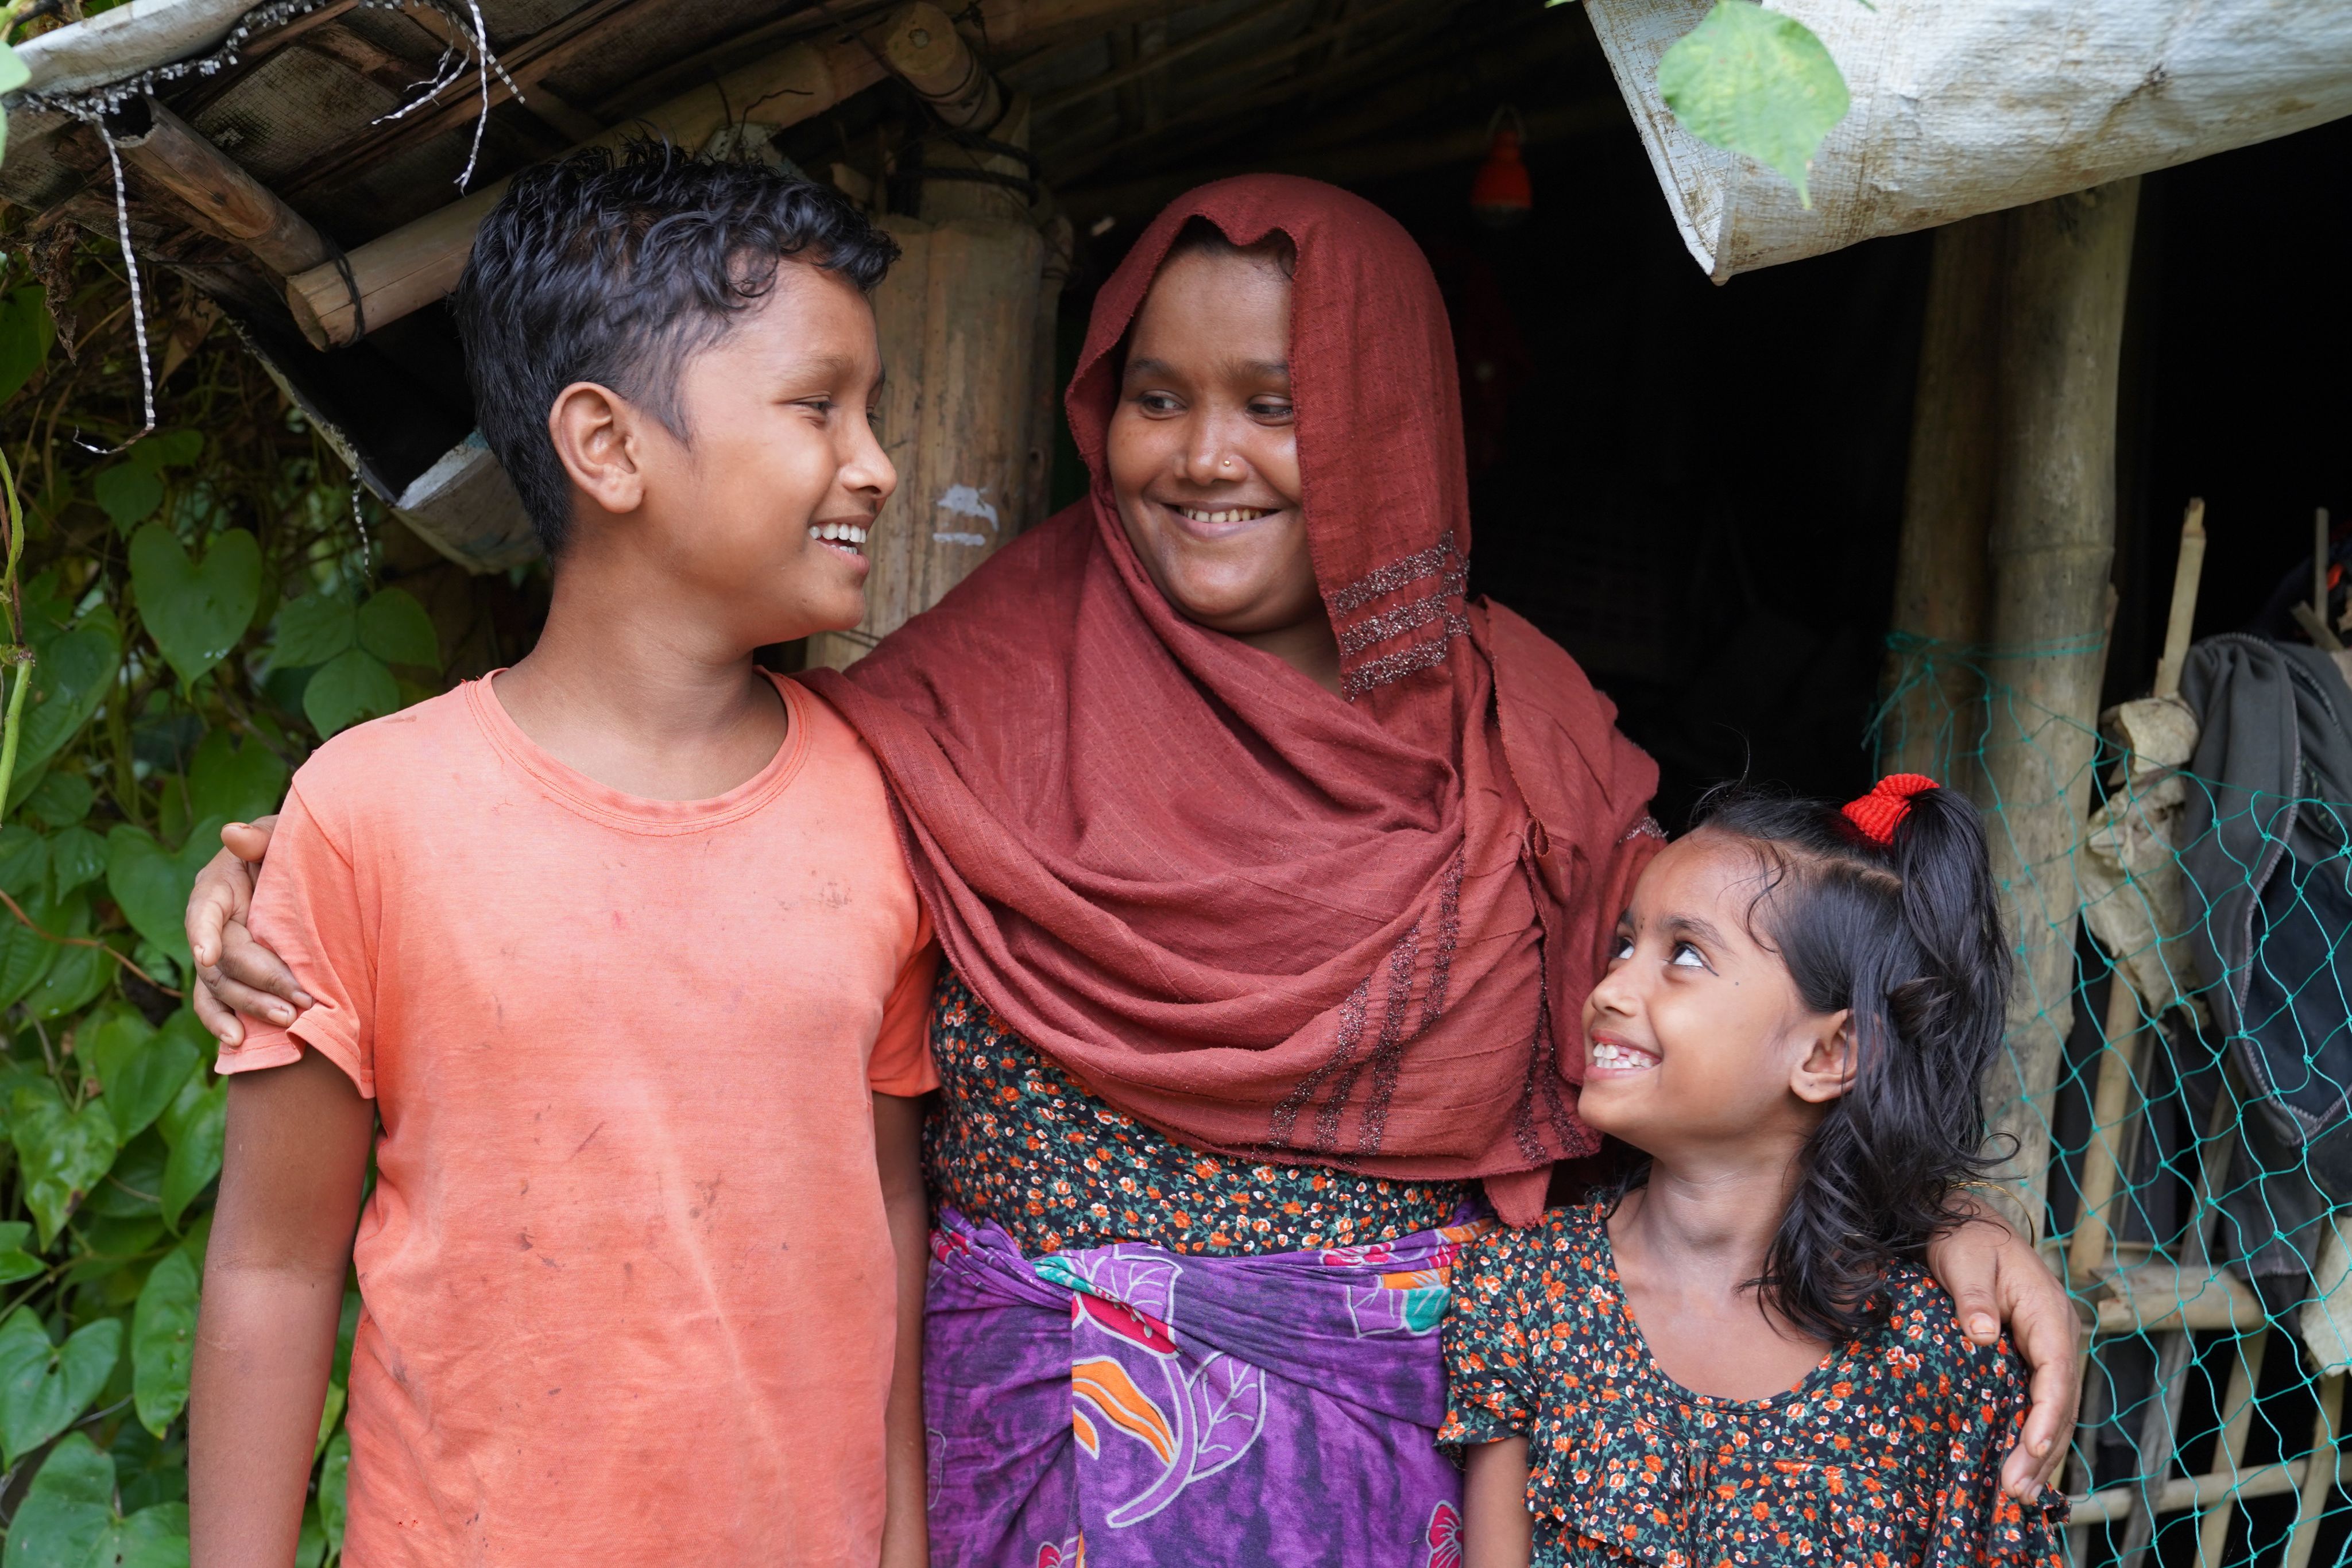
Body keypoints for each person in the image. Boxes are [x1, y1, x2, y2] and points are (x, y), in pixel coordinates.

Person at [186, 178, 2079, 1566]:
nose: (1204, 455)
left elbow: (1740, 1012)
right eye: (1157, 396)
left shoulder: (1529, 756)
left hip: (1385, 1482)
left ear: (1389, 422)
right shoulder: (946, 713)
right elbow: (618, 814)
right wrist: (284, 871)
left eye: (1277, 401)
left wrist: (1943, 1220)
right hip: (1010, 1474)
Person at [187, 148, 937, 1567]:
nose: (876, 462)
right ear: (607, 445)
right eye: (816, 405)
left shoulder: (884, 799)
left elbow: (885, 1202)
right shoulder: (369, 813)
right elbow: (274, 1265)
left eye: (873, 409)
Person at [1441, 776, 2069, 1567]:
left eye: (1686, 955)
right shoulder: (1525, 1290)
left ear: (1829, 1054)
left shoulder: (1941, 1354)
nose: (1610, 990)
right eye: (1625, 945)